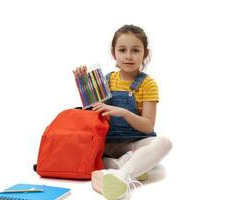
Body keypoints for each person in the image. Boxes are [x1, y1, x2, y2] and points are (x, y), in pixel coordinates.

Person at [73, 24, 172, 200]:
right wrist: (82, 83)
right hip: (108, 144)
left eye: (135, 50)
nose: (128, 56)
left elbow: (147, 126)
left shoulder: (148, 84)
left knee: (165, 143)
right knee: (91, 157)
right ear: (114, 54)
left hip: (135, 142)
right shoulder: (106, 80)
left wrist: (124, 112)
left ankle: (121, 174)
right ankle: (131, 166)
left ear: (145, 54)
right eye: (122, 50)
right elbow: (91, 114)